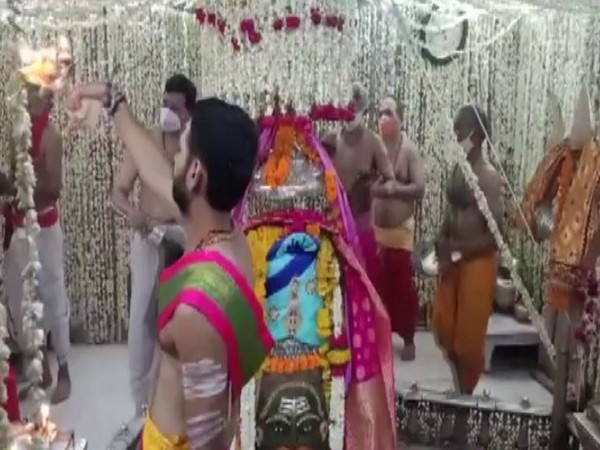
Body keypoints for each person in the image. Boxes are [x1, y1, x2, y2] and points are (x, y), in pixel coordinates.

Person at [68, 83, 274, 450]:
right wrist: (111, 99)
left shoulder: (198, 306)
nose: (172, 158)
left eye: (180, 150)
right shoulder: (225, 232)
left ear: (195, 173)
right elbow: (153, 170)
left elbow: (208, 443)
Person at [112, 73, 196, 416]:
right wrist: (133, 213)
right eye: (164, 104)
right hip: (147, 236)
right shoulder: (145, 139)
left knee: (182, 317)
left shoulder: (195, 146)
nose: (166, 112)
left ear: (189, 111)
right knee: (142, 315)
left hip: (185, 238)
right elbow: (117, 191)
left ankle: (178, 400)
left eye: (174, 107)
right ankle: (139, 404)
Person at [3, 82, 72, 404]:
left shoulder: (52, 136)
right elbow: (12, 176)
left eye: (32, 91)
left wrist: (24, 193)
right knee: (19, 301)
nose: (26, 97)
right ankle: (38, 363)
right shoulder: (18, 132)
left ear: (46, 98)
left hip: (43, 228)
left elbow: (54, 188)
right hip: (17, 228)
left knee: (52, 298)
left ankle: (64, 370)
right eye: (24, 90)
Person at [432, 104, 502, 398]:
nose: (455, 135)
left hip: (478, 263)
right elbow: (451, 213)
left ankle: (466, 397)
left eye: (459, 130)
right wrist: (441, 240)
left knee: (468, 342)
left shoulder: (488, 177)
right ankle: (461, 390)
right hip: (454, 260)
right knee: (443, 327)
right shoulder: (458, 168)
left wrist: (458, 250)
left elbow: (495, 237)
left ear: (475, 135)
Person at [324, 82, 395, 283]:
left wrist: (371, 191)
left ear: (363, 110)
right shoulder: (331, 140)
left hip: (362, 228)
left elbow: (391, 182)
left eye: (353, 110)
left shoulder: (373, 142)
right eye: (345, 109)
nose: (349, 115)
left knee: (364, 286)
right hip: (335, 227)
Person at [372, 97, 425, 361]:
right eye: (380, 113)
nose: (384, 118)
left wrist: (396, 190)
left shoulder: (409, 151)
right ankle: (378, 337)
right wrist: (383, 189)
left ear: (400, 117)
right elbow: (365, 185)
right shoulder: (373, 147)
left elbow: (420, 188)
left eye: (389, 113)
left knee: (402, 287)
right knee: (376, 285)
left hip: (401, 231)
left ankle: (408, 338)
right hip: (376, 230)